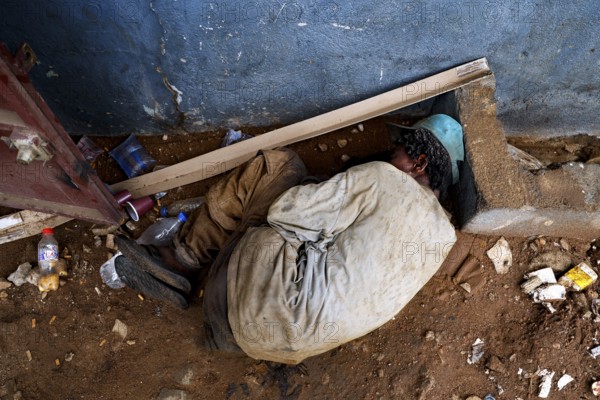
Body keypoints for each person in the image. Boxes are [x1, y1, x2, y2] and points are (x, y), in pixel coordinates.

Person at [116, 114, 464, 365]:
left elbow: (286, 212)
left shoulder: (383, 177)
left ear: (418, 162)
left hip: (240, 303)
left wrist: (316, 188)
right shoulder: (443, 237)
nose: (391, 154)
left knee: (279, 167)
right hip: (264, 345)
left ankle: (182, 261)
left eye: (399, 150)